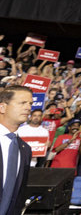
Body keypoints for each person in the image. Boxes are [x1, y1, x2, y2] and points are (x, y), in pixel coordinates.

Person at [0, 85, 33, 215]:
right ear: (2, 107)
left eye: (30, 103)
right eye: (22, 103)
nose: (28, 107)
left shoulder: (25, 149)